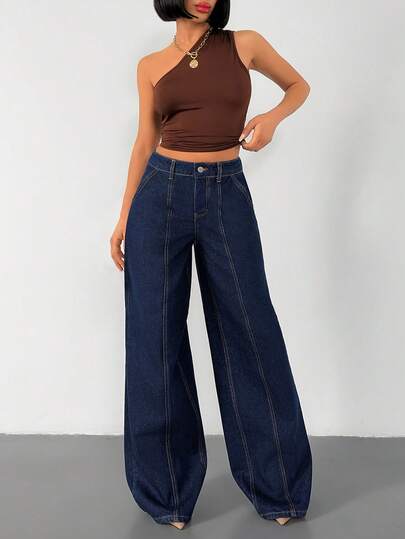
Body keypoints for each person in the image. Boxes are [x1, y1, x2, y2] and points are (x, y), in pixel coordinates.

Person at [110, 0, 312, 530]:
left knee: (251, 330)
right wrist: (125, 216)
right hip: (160, 195)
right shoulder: (150, 65)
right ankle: (168, 494)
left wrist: (271, 118)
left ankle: (279, 488)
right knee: (155, 339)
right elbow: (144, 141)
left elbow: (298, 86)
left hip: (227, 193)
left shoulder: (244, 43)